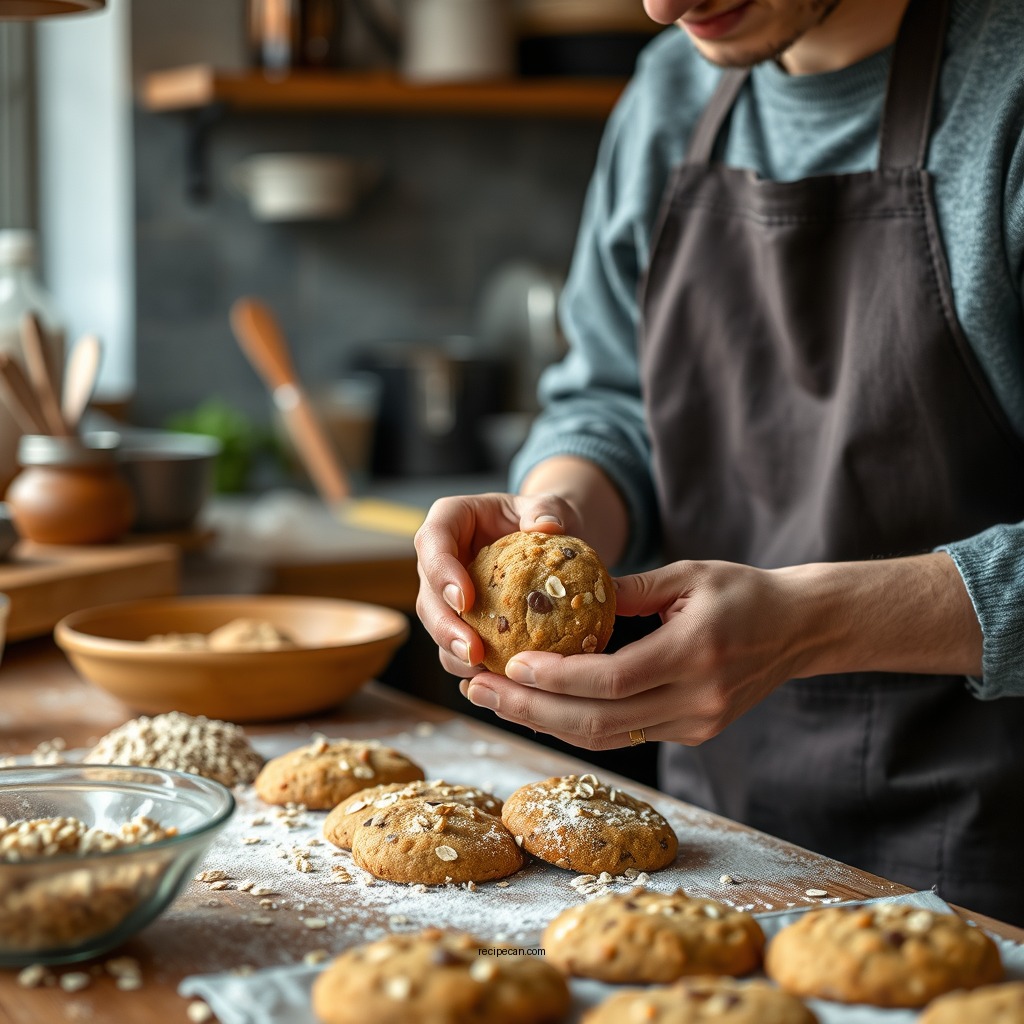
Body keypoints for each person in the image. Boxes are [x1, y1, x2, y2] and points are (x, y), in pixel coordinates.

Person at [414, 0, 1024, 924]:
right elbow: (613, 399)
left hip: (990, 858)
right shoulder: (669, 87)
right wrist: (555, 514)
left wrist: (810, 627)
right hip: (711, 846)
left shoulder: (1006, 95)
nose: (663, 5)